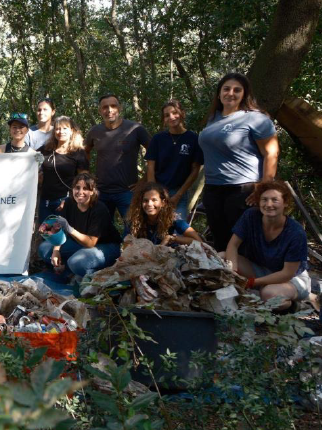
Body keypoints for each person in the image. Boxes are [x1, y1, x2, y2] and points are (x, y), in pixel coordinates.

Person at [198, 73, 279, 251]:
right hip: (213, 188)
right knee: (219, 240)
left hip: (242, 189)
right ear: (219, 94)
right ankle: (224, 277)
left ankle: (247, 278)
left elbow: (271, 152)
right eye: (226, 89)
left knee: (242, 242)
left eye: (237, 90)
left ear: (245, 94)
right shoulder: (213, 118)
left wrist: (264, 186)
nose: (231, 93)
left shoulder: (255, 118)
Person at [222, 180, 310, 309]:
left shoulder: (296, 232)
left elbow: (287, 273)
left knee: (269, 294)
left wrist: (251, 282)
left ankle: (295, 306)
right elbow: (233, 245)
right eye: (264, 199)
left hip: (291, 278)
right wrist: (232, 271)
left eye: (275, 200)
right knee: (221, 257)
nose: (269, 204)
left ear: (285, 203)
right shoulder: (251, 216)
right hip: (260, 269)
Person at [37, 173, 122, 282]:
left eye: (85, 188)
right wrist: (56, 251)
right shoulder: (68, 203)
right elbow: (60, 230)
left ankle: (94, 276)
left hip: (106, 246)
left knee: (76, 262)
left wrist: (69, 228)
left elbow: (90, 243)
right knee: (45, 249)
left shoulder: (99, 209)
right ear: (72, 189)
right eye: (77, 188)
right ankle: (69, 270)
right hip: (79, 244)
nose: (80, 192)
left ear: (92, 192)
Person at [85, 94, 150, 220]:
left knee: (132, 230)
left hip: (128, 192)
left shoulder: (135, 129)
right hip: (101, 191)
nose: (109, 110)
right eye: (105, 107)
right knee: (102, 230)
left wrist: (144, 180)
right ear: (100, 111)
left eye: (113, 106)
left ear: (119, 108)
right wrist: (87, 175)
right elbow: (84, 151)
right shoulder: (94, 131)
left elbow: (155, 153)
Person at [145, 100, 203, 220]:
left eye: (174, 113)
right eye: (166, 115)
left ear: (182, 113)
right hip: (158, 190)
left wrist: (178, 195)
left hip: (179, 193)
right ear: (164, 119)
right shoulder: (158, 139)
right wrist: (154, 192)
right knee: (155, 228)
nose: (171, 117)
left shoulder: (193, 139)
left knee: (178, 230)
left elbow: (195, 171)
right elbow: (150, 167)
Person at [38, 116, 89, 222]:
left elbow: (83, 180)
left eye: (65, 128)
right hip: (45, 202)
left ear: (72, 131)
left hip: (65, 201)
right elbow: (29, 159)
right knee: (46, 235)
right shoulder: (45, 150)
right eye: (57, 128)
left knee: (65, 235)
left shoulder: (78, 152)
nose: (60, 131)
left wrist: (70, 199)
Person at [125, 182, 202, 246]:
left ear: (163, 203)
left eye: (154, 200)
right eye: (145, 200)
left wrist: (172, 238)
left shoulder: (173, 219)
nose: (149, 204)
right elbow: (126, 248)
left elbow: (199, 242)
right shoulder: (134, 220)